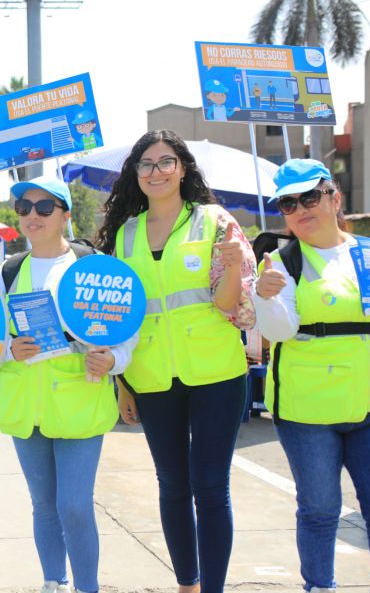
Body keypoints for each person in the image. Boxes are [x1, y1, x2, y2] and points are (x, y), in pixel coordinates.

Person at [95, 130, 256, 593]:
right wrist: (123, 384)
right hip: (150, 377)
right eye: (146, 164)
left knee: (209, 485)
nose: (156, 171)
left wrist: (229, 266)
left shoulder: (215, 221)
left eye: (166, 162)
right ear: (135, 175)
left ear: (182, 168)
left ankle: (213, 589)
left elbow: (231, 306)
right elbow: (116, 317)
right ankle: (187, 584)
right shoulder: (124, 236)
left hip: (216, 374)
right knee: (171, 484)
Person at [0, 175, 136, 593]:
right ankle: (52, 582)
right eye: (24, 208)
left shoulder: (92, 267)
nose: (32, 216)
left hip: (79, 404)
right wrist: (9, 350)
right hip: (25, 406)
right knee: (44, 506)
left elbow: (127, 335)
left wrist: (113, 359)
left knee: (73, 506)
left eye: (43, 207)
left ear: (65, 215)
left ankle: (86, 587)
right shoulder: (7, 271)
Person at [253, 159, 370, 593]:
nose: (301, 209)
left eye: (310, 197)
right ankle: (319, 587)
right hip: (308, 412)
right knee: (320, 509)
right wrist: (267, 297)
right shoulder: (282, 261)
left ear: (334, 198)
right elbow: (279, 331)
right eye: (288, 204)